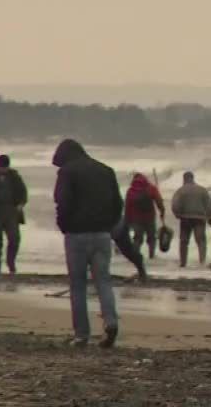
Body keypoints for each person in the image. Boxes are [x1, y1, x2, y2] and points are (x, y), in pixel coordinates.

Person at [52, 138, 122, 349]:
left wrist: (64, 226)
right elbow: (118, 203)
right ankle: (111, 322)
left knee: (78, 285)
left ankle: (82, 335)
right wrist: (109, 225)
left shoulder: (67, 173)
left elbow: (62, 202)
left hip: (77, 236)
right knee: (103, 281)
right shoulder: (106, 170)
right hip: (102, 234)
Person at [171, 171, 211, 268]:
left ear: (184, 179)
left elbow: (175, 204)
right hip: (199, 218)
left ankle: (183, 263)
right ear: (193, 178)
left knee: (184, 241)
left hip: (185, 218)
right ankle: (202, 262)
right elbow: (209, 205)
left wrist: (177, 214)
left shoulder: (181, 190)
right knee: (201, 240)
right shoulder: (202, 190)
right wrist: (207, 215)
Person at [124, 173, 165, 259]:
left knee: (137, 238)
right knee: (151, 238)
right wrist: (162, 211)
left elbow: (127, 206)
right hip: (149, 217)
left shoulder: (131, 190)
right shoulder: (151, 188)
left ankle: (135, 255)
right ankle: (151, 255)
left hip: (136, 219)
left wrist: (127, 220)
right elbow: (159, 201)